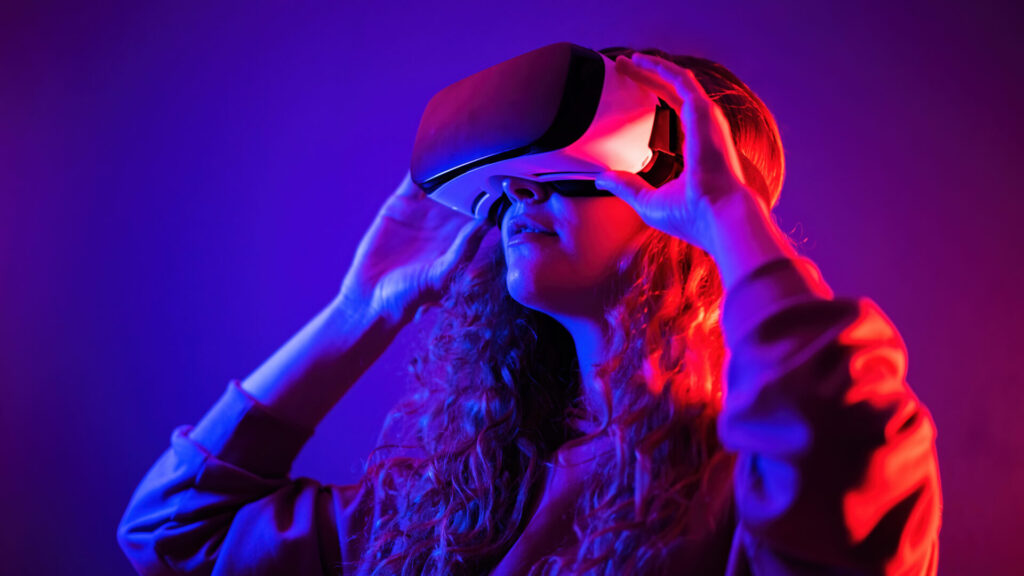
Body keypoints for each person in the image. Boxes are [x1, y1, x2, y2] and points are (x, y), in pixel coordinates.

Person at [117, 46, 942, 575]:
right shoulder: (458, 494)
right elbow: (172, 535)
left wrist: (731, 220)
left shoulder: (740, 501)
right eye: (519, 171)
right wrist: (356, 311)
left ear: (677, 197)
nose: (520, 190)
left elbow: (853, 470)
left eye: (578, 165)